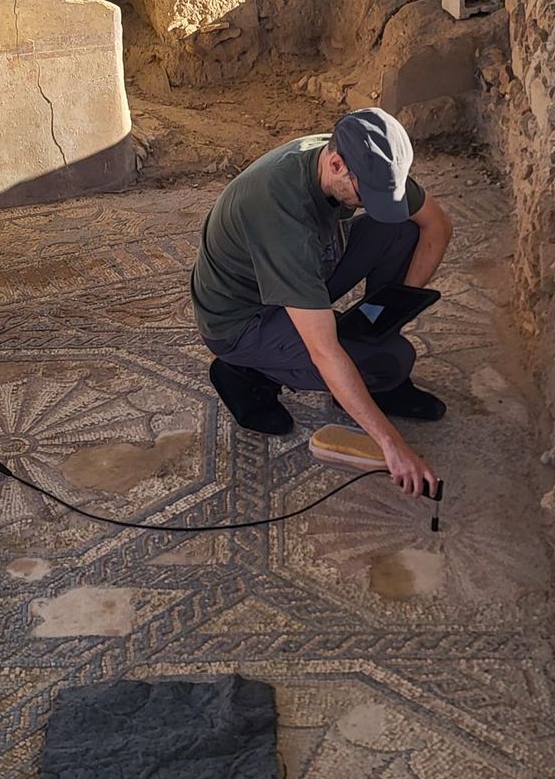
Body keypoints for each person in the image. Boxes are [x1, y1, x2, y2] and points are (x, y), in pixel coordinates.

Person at [190, 108, 453, 497]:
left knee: (399, 229)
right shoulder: (282, 215)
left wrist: (391, 312)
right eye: (368, 196)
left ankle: (368, 367)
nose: (369, 205)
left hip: (299, 268)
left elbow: (437, 225)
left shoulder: (366, 158)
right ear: (335, 164)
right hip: (241, 319)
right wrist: (391, 445)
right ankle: (246, 372)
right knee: (389, 360)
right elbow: (324, 352)